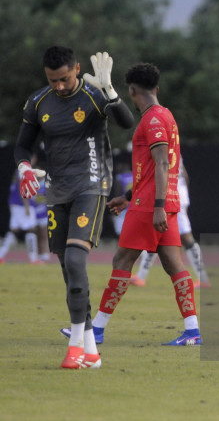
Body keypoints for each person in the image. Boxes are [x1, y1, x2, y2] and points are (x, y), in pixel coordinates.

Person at [61, 63, 201, 347]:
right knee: (174, 264)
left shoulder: (151, 120)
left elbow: (162, 163)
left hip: (152, 204)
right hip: (162, 200)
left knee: (122, 260)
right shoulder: (166, 115)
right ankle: (193, 329)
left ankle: (97, 328)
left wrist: (156, 205)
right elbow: (151, 168)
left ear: (133, 91)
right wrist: (127, 196)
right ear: (156, 89)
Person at [14, 46, 135, 369]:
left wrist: (110, 91)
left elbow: (127, 123)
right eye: (53, 80)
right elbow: (23, 145)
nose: (60, 86)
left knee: (75, 258)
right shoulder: (38, 102)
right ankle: (92, 352)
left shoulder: (94, 96)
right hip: (56, 191)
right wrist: (24, 167)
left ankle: (75, 347)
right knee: (69, 271)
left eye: (65, 79)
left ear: (77, 69)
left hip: (92, 186)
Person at [131, 157, 211, 288]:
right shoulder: (175, 146)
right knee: (157, 234)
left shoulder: (160, 145)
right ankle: (141, 276)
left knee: (182, 236)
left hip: (171, 195)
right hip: (179, 194)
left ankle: (203, 279)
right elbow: (184, 174)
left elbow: (158, 172)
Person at [0, 176, 40, 264]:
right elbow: (22, 186)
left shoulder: (18, 171)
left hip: (16, 204)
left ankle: (0, 255)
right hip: (22, 205)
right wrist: (26, 205)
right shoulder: (24, 169)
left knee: (15, 231)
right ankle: (33, 260)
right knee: (31, 230)